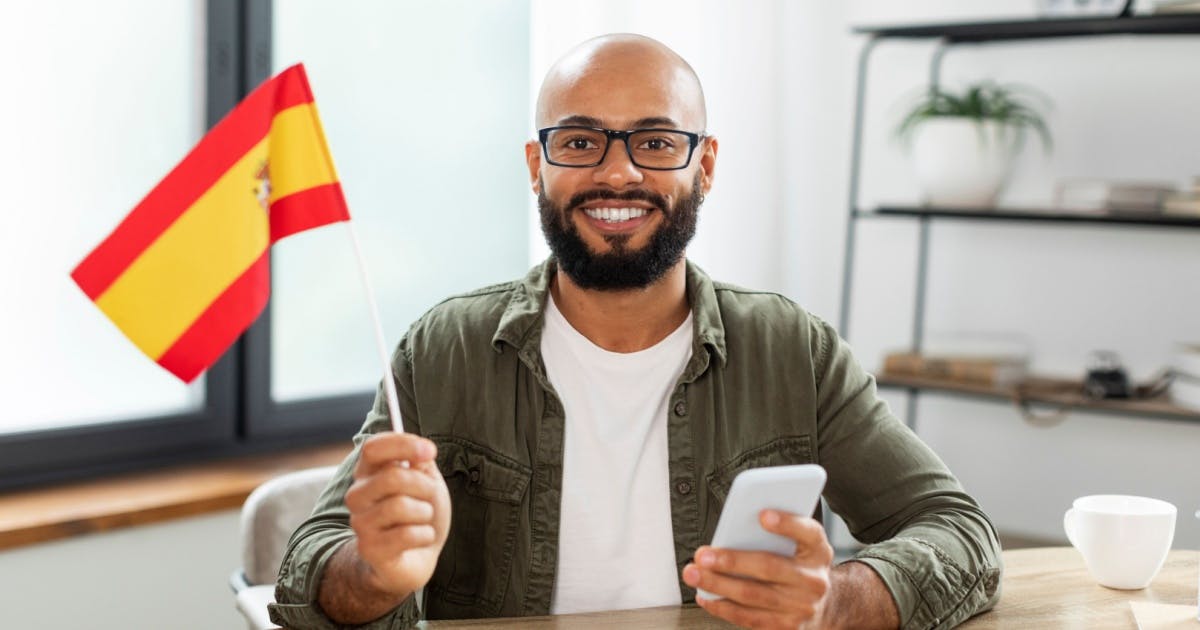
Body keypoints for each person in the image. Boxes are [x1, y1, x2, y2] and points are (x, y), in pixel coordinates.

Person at [270, 33, 1001, 630]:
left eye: (654, 143)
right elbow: (308, 570)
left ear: (704, 165)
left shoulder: (792, 350)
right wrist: (372, 577)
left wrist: (836, 600)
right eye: (581, 141)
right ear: (537, 166)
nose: (617, 175)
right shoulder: (444, 351)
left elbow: (960, 533)